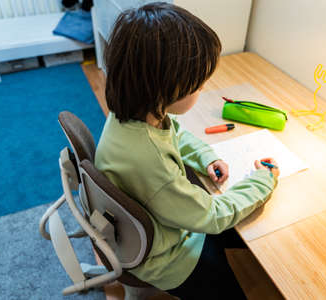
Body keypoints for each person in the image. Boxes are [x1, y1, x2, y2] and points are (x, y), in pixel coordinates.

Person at [94, 2, 280, 299]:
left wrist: (207, 156)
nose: (203, 87)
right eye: (198, 84)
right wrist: (264, 179)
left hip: (148, 231)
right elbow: (211, 217)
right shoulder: (151, 160)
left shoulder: (132, 113)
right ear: (167, 86)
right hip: (169, 261)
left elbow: (174, 132)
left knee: (244, 220)